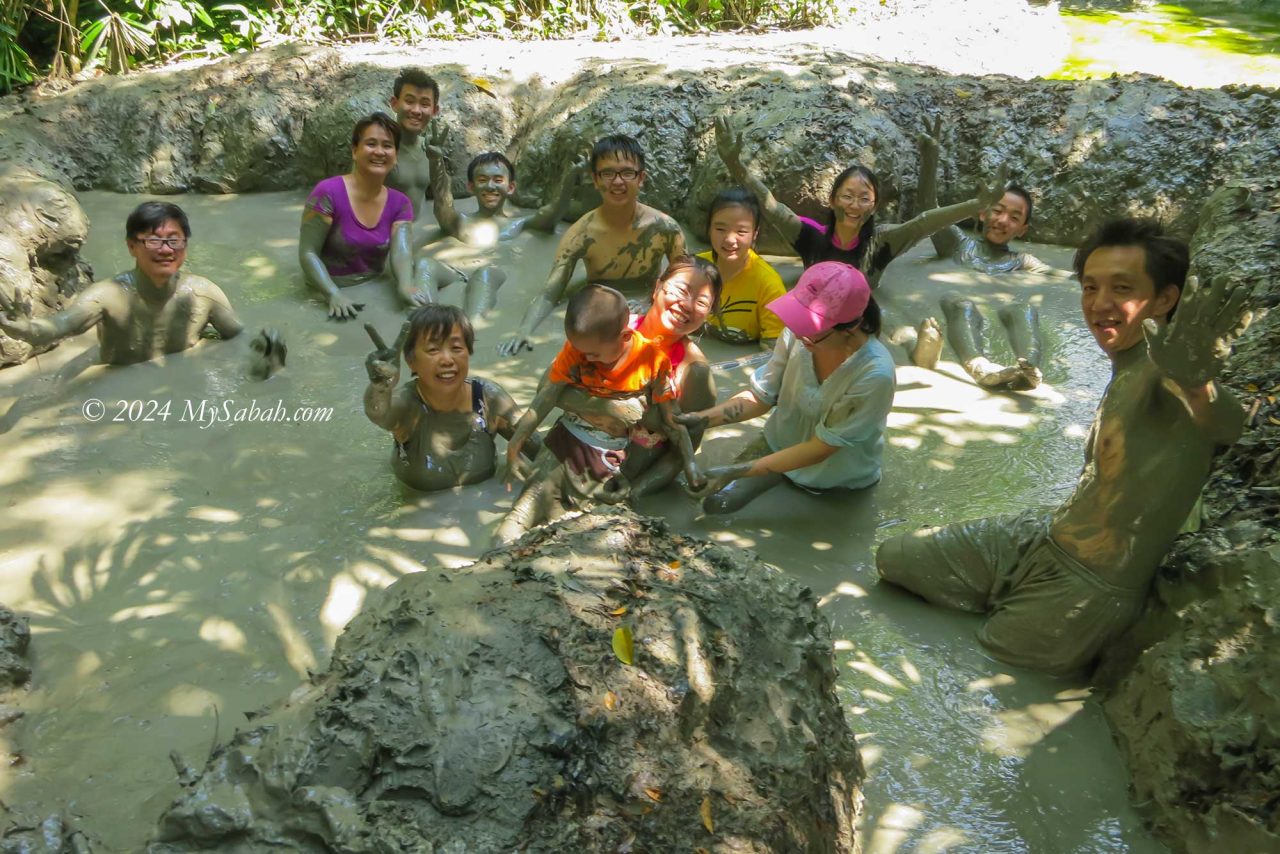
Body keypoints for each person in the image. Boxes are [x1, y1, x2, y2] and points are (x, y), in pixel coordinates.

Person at [877, 218, 1250, 676]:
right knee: (893, 558)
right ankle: (1001, 595)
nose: (1099, 303)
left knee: (990, 668)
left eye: (1121, 288)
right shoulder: (1128, 361)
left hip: (1089, 586)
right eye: (1090, 287)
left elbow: (1228, 426)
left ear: (1165, 298)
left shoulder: (1170, 373)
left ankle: (1012, 610)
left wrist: (1199, 386)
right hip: (1042, 536)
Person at [680, 262, 896, 514]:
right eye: (798, 320)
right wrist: (697, 420)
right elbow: (761, 396)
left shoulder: (874, 374)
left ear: (850, 327)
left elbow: (821, 448)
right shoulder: (797, 332)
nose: (799, 332)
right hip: (777, 445)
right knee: (714, 505)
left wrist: (736, 470)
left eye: (811, 330)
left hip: (835, 480)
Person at [494, 284, 702, 544]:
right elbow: (543, 400)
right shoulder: (576, 351)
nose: (586, 358)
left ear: (625, 336)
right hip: (564, 441)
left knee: (583, 528)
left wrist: (691, 466)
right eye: (579, 350)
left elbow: (671, 420)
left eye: (593, 354)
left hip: (609, 457)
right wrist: (515, 446)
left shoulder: (652, 361)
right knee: (522, 512)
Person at [714, 116, 1007, 288]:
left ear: (875, 206)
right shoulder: (810, 236)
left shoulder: (884, 241)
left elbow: (925, 222)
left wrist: (975, 205)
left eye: (864, 198)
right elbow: (770, 205)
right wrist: (735, 164)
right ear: (832, 200)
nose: (854, 206)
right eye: (848, 196)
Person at [0, 201, 281, 372]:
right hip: (115, 384)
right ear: (132, 246)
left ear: (185, 245)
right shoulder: (107, 296)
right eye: (154, 241)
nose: (166, 249)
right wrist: (26, 330)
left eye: (175, 240)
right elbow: (61, 327)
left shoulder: (203, 294)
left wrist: (269, 353)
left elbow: (238, 337)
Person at [498, 134, 687, 356]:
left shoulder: (665, 229)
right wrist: (524, 330)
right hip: (597, 301)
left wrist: (651, 302)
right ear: (596, 180)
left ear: (641, 178)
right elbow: (550, 294)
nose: (617, 182)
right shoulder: (581, 233)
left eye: (627, 172)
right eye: (607, 173)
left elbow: (687, 281)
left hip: (646, 298)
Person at [362, 305, 531, 492]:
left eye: (456, 348)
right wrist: (379, 387)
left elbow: (541, 449)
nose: (447, 359)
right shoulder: (407, 404)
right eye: (433, 350)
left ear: (468, 352)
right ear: (411, 361)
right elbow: (378, 414)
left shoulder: (488, 397)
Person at [299, 113, 435, 321]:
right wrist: (332, 294)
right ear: (355, 151)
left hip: (374, 284)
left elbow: (402, 253)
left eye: (387, 146)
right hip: (325, 291)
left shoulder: (400, 203)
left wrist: (406, 286)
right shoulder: (327, 192)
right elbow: (308, 252)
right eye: (371, 144)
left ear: (396, 155)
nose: (379, 152)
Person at [621, 255, 721, 497]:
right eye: (681, 290)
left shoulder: (694, 372)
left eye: (701, 302)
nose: (687, 304)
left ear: (709, 313)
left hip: (625, 477)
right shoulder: (616, 326)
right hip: (574, 450)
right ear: (657, 287)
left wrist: (633, 494)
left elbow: (680, 456)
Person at [427, 140, 587, 246]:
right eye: (482, 180)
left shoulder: (520, 225)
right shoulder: (458, 222)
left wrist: (571, 178)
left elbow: (554, 213)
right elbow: (442, 202)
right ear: (471, 187)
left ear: (510, 188)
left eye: (498, 180)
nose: (490, 186)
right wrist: (436, 163)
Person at [697, 187, 786, 351]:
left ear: (755, 233)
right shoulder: (695, 269)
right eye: (720, 229)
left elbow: (774, 353)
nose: (730, 240)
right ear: (709, 228)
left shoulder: (769, 285)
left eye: (741, 231)